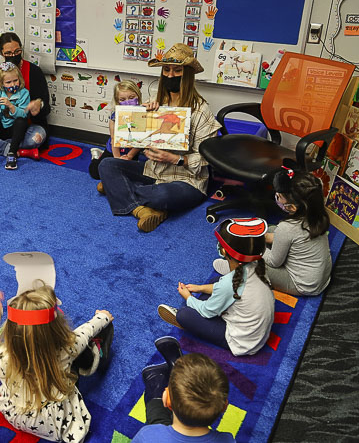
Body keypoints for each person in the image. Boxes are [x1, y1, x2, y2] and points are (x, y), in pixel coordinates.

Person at [98, 43, 221, 232]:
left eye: (177, 70)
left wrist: (177, 159)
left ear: (187, 73)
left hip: (186, 180)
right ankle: (142, 211)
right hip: (153, 171)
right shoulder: (157, 101)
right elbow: (137, 138)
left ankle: (121, 190)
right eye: (166, 69)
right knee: (106, 165)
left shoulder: (201, 110)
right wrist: (142, 117)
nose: (170, 75)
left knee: (160, 195)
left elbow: (208, 157)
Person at [0, 286, 113, 442]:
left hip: (17, 415)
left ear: (11, 332)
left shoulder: (1, 358)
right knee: (83, 352)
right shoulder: (67, 348)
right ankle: (95, 356)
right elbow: (86, 331)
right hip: (56, 421)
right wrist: (102, 317)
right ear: (58, 329)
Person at [158, 218, 275, 356]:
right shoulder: (259, 266)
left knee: (185, 314)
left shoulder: (229, 284)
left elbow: (206, 311)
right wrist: (200, 288)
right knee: (215, 281)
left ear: (224, 251)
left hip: (242, 343)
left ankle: (189, 318)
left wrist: (188, 297)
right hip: (257, 333)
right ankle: (211, 303)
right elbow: (226, 287)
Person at [230, 168, 330, 296]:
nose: (277, 197)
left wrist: (255, 243)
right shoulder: (318, 214)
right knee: (272, 229)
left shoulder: (287, 228)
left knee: (254, 263)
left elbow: (274, 262)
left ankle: (231, 268)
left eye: (279, 196)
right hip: (320, 277)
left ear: (292, 207)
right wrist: (267, 237)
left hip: (303, 285)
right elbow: (291, 236)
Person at [0, 32, 51, 160]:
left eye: (17, 51)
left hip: (27, 125)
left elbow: (46, 106)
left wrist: (39, 105)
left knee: (36, 137)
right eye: (8, 53)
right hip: (2, 126)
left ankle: (0, 148)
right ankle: (16, 151)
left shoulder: (34, 71)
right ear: (1, 53)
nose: (13, 56)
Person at [135, 338, 233, 442]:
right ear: (224, 406)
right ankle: (171, 371)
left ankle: (156, 384)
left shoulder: (147, 435)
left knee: (157, 424)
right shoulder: (227, 439)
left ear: (166, 399)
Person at [89, 81, 144, 186]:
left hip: (132, 151)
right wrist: (117, 159)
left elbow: (141, 141)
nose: (128, 102)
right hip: (115, 150)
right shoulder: (114, 117)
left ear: (138, 96)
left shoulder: (142, 115)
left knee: (131, 177)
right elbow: (114, 139)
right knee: (96, 173)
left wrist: (129, 156)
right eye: (123, 100)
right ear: (118, 101)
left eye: (131, 97)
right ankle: (97, 157)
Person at [0, 62, 30, 170]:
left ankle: (11, 153)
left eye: (15, 80)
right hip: (0, 129)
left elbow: (24, 114)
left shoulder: (24, 93)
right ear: (1, 83)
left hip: (14, 130)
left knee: (22, 121)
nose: (13, 85)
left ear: (19, 79)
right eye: (8, 82)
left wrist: (11, 106)